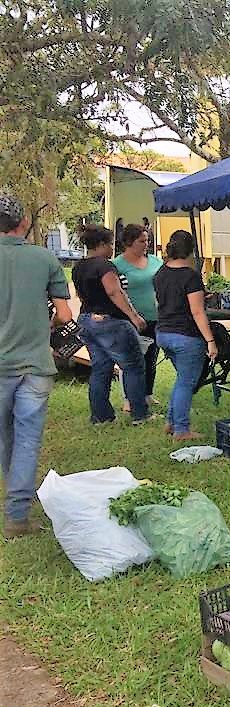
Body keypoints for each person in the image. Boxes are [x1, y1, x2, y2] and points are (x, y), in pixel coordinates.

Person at [0, 191, 72, 538]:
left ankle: (16, 501)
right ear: (24, 222)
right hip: (34, 365)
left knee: (5, 439)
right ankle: (16, 516)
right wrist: (45, 326)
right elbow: (64, 314)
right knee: (27, 440)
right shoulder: (44, 258)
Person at [72, 224, 150, 426]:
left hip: (87, 320)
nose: (112, 249)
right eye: (110, 244)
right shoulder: (105, 266)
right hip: (111, 322)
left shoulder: (78, 267)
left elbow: (81, 295)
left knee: (100, 368)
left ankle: (101, 416)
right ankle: (140, 414)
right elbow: (115, 292)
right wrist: (134, 316)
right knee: (133, 366)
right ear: (101, 244)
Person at [154, 230, 218, 441]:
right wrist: (210, 340)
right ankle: (181, 430)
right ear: (191, 250)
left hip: (163, 332)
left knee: (182, 379)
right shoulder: (190, 276)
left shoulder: (161, 273)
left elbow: (166, 300)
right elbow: (197, 312)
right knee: (186, 383)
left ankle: (171, 423)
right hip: (186, 336)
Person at [114, 224, 161, 408]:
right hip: (130, 319)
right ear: (129, 242)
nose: (146, 244)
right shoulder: (118, 265)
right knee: (132, 359)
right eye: (142, 241)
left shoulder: (156, 261)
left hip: (155, 316)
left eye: (147, 240)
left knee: (151, 357)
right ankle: (129, 398)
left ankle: (148, 393)